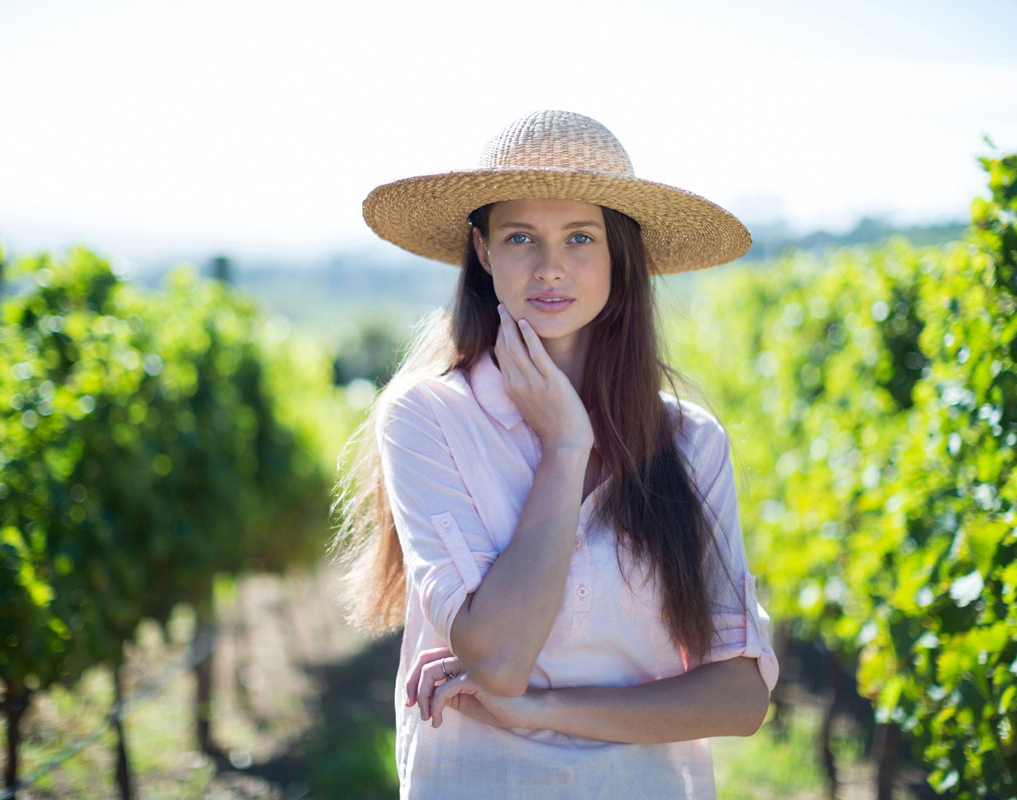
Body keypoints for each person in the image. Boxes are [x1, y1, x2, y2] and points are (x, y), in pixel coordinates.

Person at [333, 110, 779, 799]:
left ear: (620, 254)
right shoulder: (428, 418)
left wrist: (543, 711)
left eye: (580, 237)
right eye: (520, 237)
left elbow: (742, 698)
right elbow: (499, 660)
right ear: (483, 251)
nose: (550, 268)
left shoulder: (691, 441)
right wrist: (566, 447)